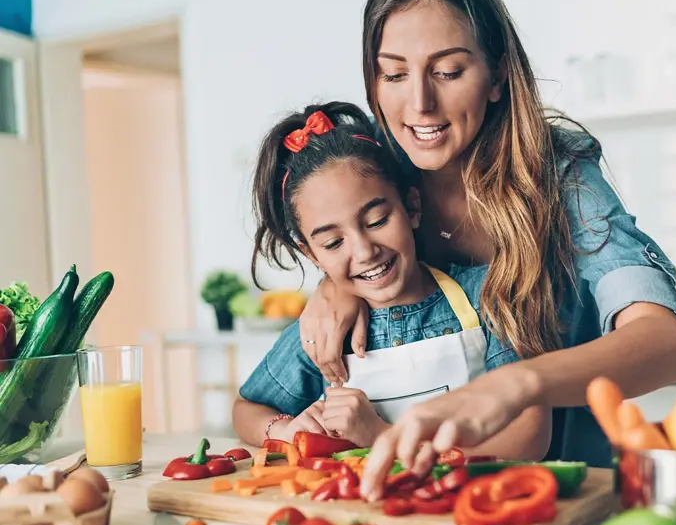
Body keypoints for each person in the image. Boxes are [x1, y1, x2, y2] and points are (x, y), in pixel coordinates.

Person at [298, 0, 676, 499]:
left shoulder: (561, 176)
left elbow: (668, 346)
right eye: (394, 75)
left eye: (447, 71)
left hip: (562, 497)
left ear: (497, 75)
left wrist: (516, 384)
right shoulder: (376, 176)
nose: (419, 104)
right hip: (415, 500)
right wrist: (334, 286)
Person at [232, 101, 550, 464]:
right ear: (312, 255)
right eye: (334, 243)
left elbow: (529, 436)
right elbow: (246, 409)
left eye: (377, 220)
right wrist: (286, 430)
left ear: (412, 207)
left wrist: (383, 437)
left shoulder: (488, 296)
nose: (365, 251)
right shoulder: (323, 335)